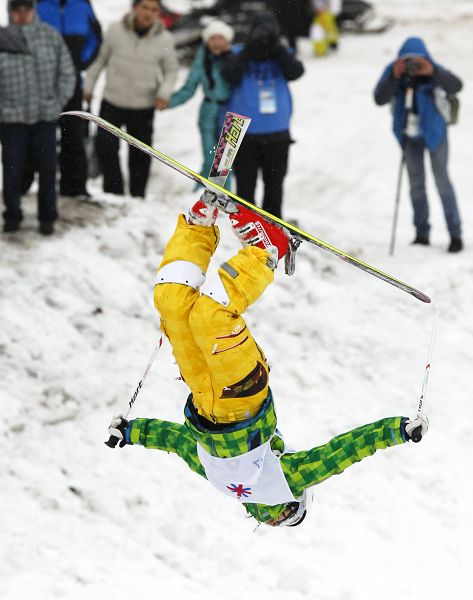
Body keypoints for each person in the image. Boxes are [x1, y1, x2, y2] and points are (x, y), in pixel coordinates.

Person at [108, 191, 429, 528]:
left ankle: (198, 227)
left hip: (201, 395)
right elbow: (344, 451)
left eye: (280, 520)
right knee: (211, 316)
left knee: (171, 304)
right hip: (244, 395)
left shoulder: (220, 480)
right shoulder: (288, 480)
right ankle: (268, 249)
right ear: (294, 500)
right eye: (288, 513)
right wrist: (399, 431)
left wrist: (130, 433)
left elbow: (173, 439)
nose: (277, 514)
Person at [374, 37, 463, 253]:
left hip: (434, 132)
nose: (412, 66)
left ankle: (455, 234)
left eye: (416, 61)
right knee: (416, 184)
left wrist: (432, 72)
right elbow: (379, 98)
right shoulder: (394, 71)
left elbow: (457, 85)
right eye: (407, 61)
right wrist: (394, 76)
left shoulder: (431, 68)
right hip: (408, 134)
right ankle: (422, 233)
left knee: (442, 181)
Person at [83, 0, 179, 199]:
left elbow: (171, 71)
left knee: (140, 155)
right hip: (112, 102)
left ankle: (137, 196)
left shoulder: (165, 39)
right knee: (106, 148)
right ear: (135, 8)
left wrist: (163, 94)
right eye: (145, 7)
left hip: (142, 107)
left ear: (158, 14)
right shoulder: (115, 31)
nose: (148, 13)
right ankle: (114, 193)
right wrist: (89, 87)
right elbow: (99, 60)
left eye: (154, 10)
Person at [0, 0, 75, 235]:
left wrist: (56, 103)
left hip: (45, 119)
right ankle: (12, 215)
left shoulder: (50, 36)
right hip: (12, 122)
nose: (22, 15)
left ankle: (47, 217)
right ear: (10, 12)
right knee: (12, 171)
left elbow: (66, 72)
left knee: (48, 169)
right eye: (17, 10)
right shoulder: (2, 38)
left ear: (34, 10)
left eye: (27, 9)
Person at [221, 13, 304, 219]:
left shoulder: (282, 55)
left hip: (277, 133)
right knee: (245, 192)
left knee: (274, 191)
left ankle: (272, 233)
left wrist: (275, 47)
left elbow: (296, 71)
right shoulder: (239, 53)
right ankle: (245, 234)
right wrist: (250, 48)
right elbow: (228, 75)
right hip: (241, 132)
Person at [36, 0, 102, 198]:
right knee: (38, 134)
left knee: (72, 133)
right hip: (42, 83)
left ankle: (73, 187)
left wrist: (80, 61)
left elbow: (96, 38)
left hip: (73, 83)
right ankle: (29, 185)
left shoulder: (83, 5)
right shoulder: (39, 5)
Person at [169, 20, 233, 180]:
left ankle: (223, 193)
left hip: (230, 112)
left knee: (224, 161)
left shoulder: (235, 60)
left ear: (227, 41)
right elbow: (189, 88)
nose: (217, 43)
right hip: (208, 111)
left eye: (221, 38)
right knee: (210, 155)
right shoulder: (202, 61)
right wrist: (167, 102)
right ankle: (203, 187)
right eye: (213, 38)